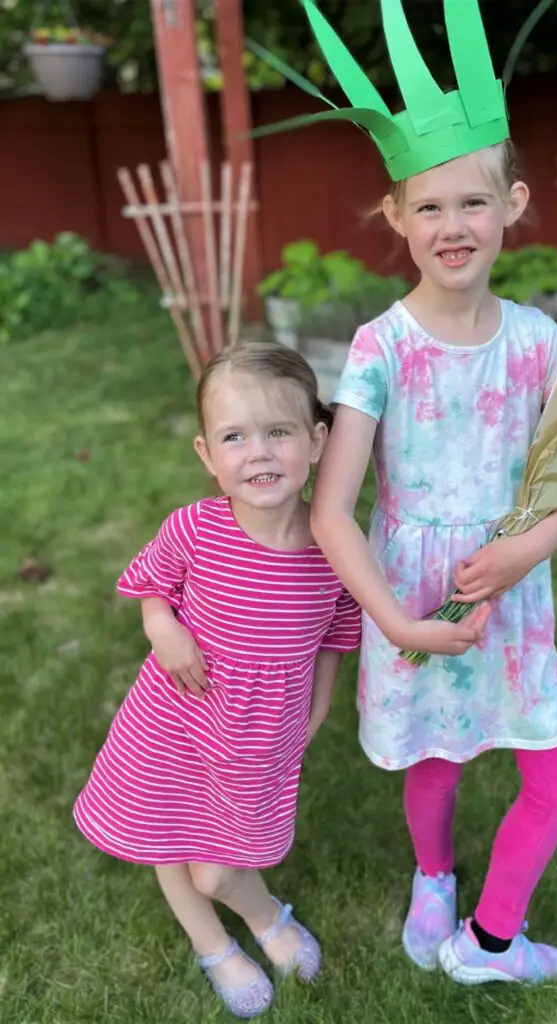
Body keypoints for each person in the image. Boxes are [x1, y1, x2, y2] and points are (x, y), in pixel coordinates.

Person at [311, 135, 557, 986]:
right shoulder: (381, 346)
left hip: (511, 596)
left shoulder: (540, 340)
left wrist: (530, 546)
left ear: (512, 203)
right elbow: (331, 510)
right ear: (397, 218)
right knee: (434, 757)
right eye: (428, 207)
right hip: (414, 599)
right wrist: (395, 622)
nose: (452, 225)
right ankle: (433, 876)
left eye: (472, 202)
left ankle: (489, 940)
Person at [74, 342, 361, 1019]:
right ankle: (215, 944)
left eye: (279, 432)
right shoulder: (196, 528)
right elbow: (152, 586)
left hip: (258, 733)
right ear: (207, 454)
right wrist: (162, 628)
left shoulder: (334, 548)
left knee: (222, 864)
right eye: (235, 437)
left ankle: (260, 913)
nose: (258, 452)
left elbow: (334, 642)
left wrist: (314, 717)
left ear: (317, 441)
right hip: (172, 717)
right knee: (166, 833)